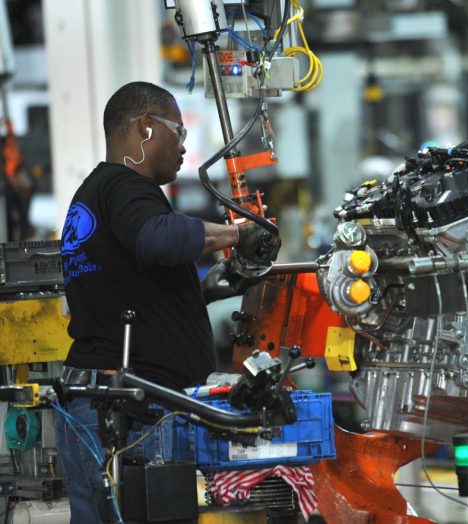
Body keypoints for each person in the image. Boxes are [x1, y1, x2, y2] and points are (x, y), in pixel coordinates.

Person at [55, 81, 280, 523]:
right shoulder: (124, 186)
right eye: (177, 131)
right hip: (125, 409)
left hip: (103, 401)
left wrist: (208, 289)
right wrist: (239, 233)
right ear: (144, 128)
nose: (183, 145)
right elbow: (158, 238)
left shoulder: (97, 195)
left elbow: (124, 288)